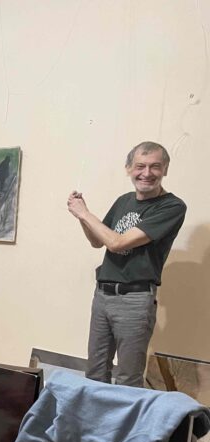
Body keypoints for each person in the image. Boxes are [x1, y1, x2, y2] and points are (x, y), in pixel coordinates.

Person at [67, 141, 186, 387]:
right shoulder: (124, 200)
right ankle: (95, 414)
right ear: (128, 169)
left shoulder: (172, 206)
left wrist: (85, 214)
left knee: (128, 378)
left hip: (135, 299)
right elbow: (97, 241)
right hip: (102, 295)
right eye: (140, 166)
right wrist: (82, 215)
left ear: (165, 169)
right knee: (95, 372)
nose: (147, 173)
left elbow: (116, 243)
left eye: (155, 166)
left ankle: (124, 416)